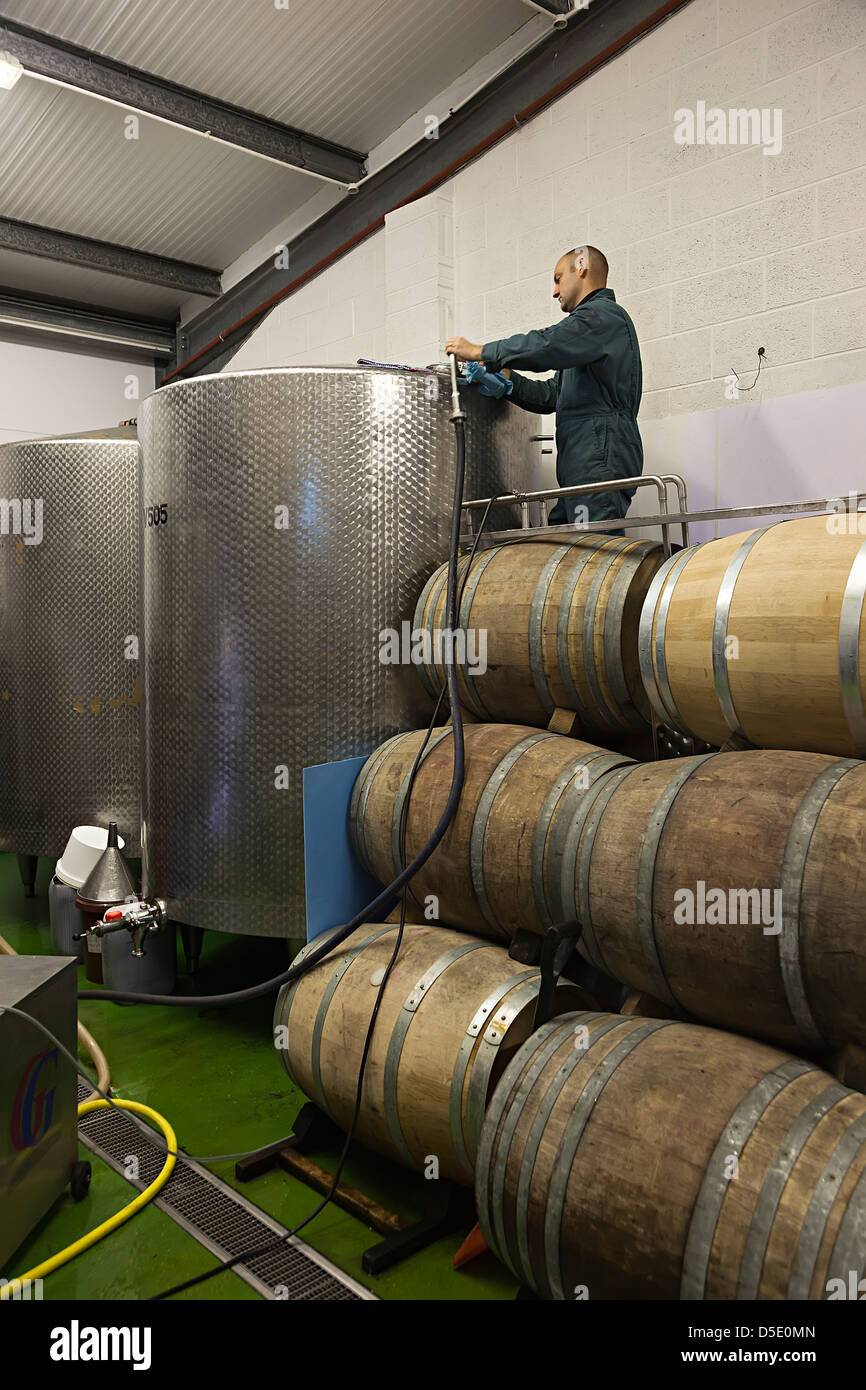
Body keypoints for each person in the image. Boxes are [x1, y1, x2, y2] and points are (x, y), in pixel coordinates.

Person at [445, 244, 643, 530]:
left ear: (582, 266)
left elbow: (546, 344)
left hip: (597, 458)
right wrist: (508, 383)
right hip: (583, 461)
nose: (554, 291)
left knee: (591, 553)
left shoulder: (601, 317)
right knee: (563, 540)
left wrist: (482, 351)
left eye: (558, 278)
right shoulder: (590, 333)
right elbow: (553, 395)